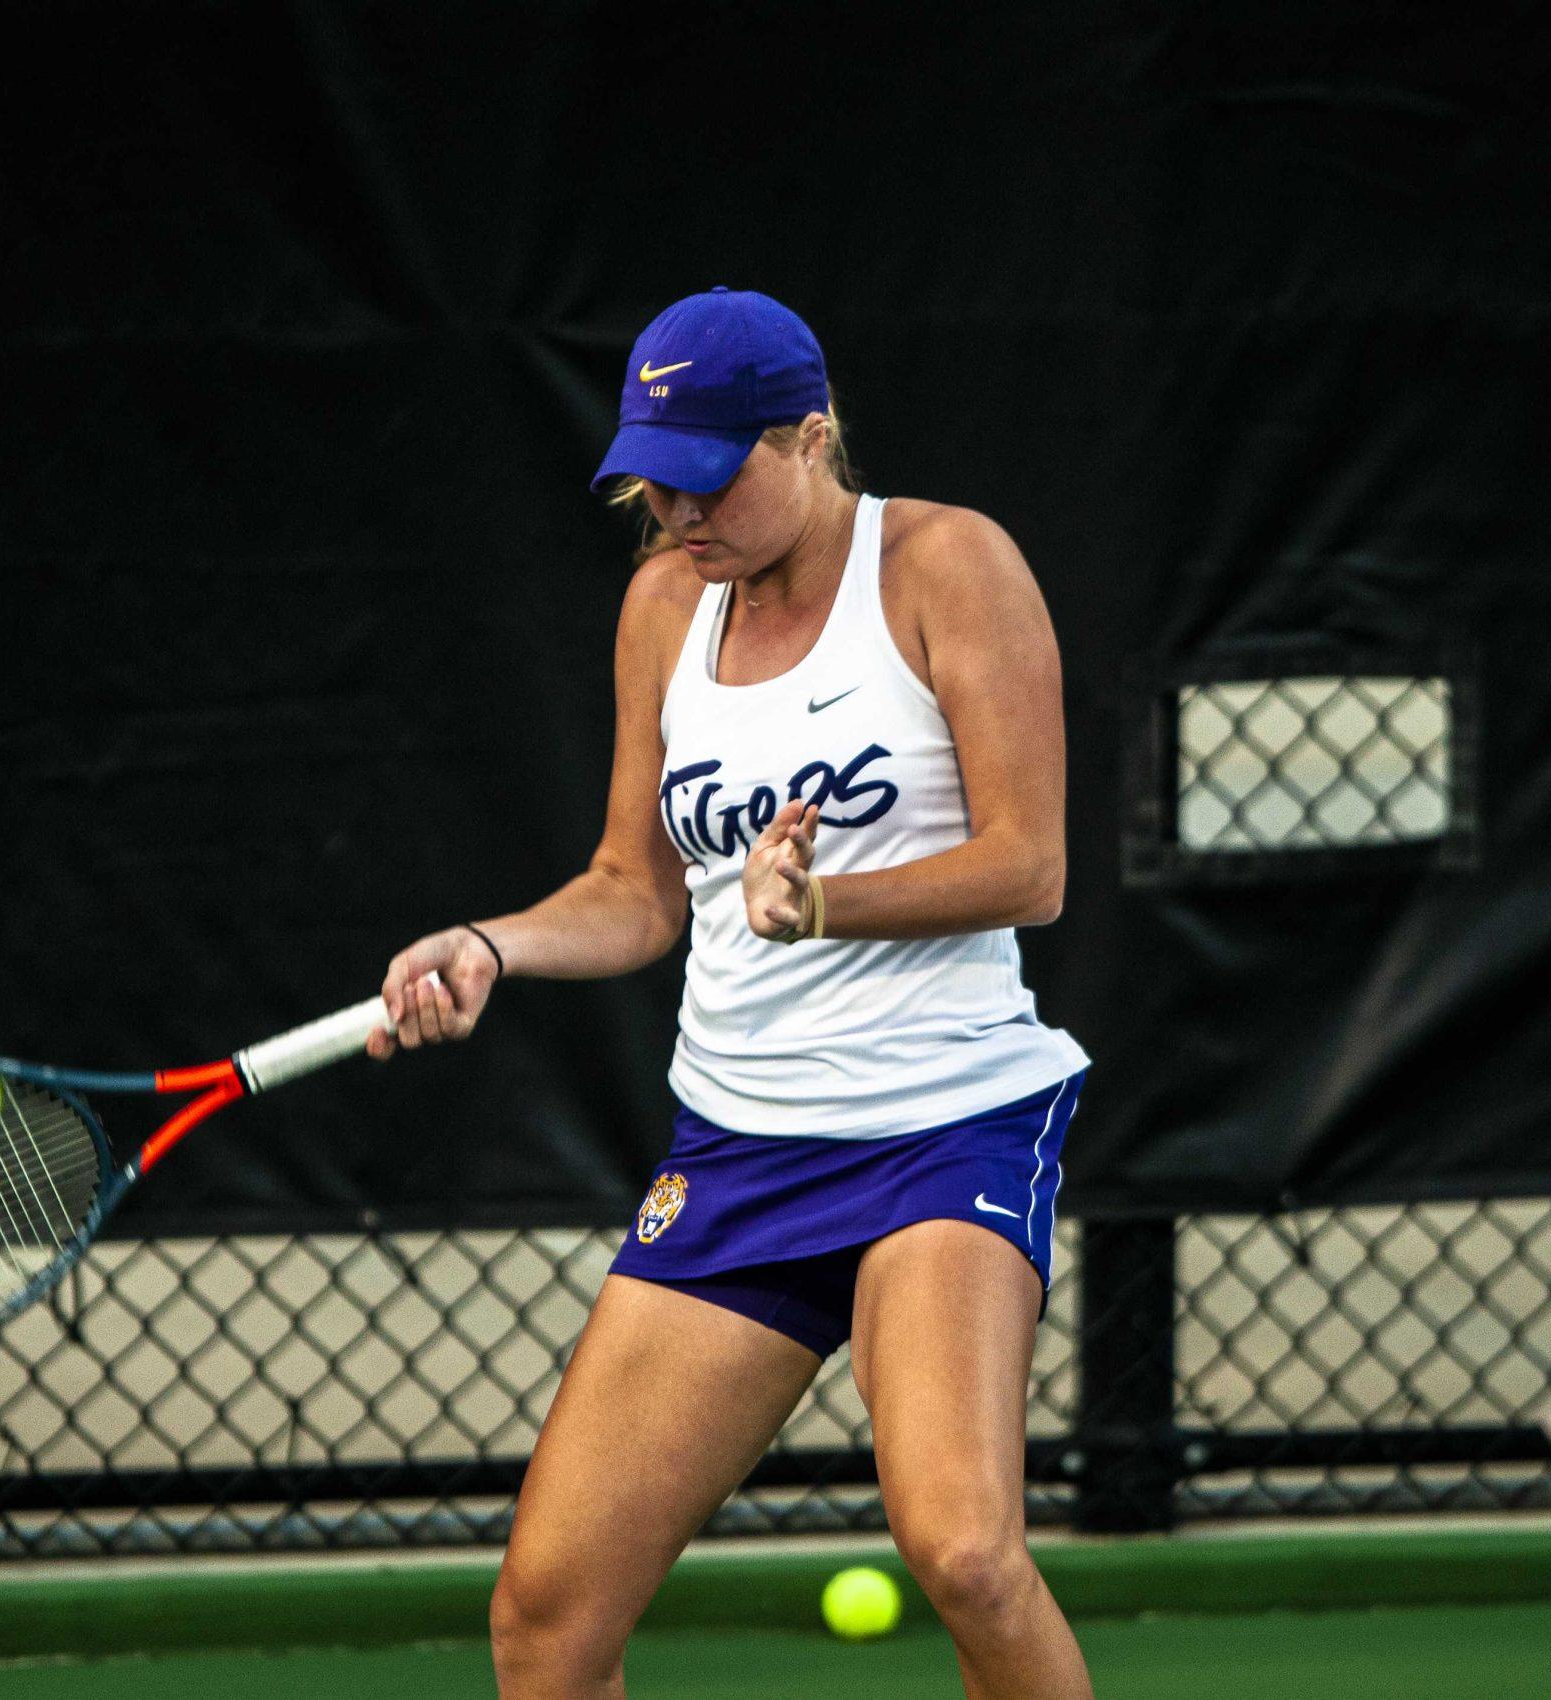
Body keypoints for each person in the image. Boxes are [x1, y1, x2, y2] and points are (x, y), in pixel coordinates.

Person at [366, 286, 1093, 1699]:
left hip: (942, 1134)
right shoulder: (661, 607)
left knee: (966, 1555)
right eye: (651, 481)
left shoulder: (948, 566)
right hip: (740, 1156)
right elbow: (634, 891)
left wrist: (825, 904)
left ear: (809, 438)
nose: (675, 514)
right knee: (547, 1618)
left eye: (705, 479)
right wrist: (493, 944)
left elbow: (1034, 864)